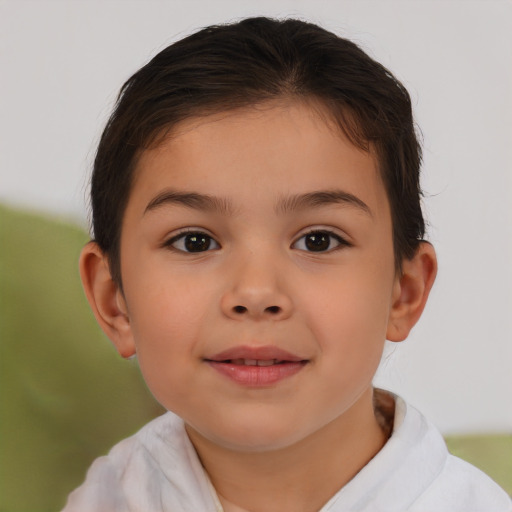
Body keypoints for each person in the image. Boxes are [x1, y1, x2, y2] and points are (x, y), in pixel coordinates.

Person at [63, 17, 511, 512]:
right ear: (113, 300)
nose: (256, 293)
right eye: (194, 241)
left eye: (318, 241)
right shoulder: (108, 497)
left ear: (403, 292)